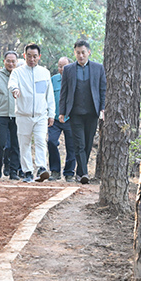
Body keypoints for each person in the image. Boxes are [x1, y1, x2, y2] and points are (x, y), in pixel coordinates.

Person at [59, 39, 106, 184]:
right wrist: (62, 111)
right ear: (75, 53)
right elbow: (64, 92)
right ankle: (84, 173)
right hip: (75, 112)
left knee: (88, 143)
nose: (81, 56)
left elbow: (102, 90)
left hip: (92, 112)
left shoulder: (98, 68)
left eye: (83, 52)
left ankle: (80, 172)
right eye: (78, 53)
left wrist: (102, 109)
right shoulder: (68, 69)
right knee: (79, 143)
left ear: (88, 52)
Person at [8, 43, 55, 183]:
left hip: (41, 115)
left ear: (39, 57)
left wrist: (51, 114)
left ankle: (41, 168)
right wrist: (15, 89)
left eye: (35, 56)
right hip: (23, 115)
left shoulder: (45, 73)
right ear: (24, 56)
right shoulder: (18, 72)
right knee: (24, 143)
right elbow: (12, 83)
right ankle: (27, 171)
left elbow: (49, 95)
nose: (32, 59)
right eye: (29, 56)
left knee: (41, 140)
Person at [0, 51, 21, 180]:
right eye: (8, 61)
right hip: (1, 115)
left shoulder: (20, 75)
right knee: (0, 143)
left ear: (16, 62)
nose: (11, 63)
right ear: (4, 61)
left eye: (13, 61)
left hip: (18, 115)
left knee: (15, 145)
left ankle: (13, 171)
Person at [48, 57, 76, 182]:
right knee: (52, 142)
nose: (62, 69)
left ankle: (69, 172)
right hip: (55, 119)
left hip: (71, 119)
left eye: (65, 66)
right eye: (60, 66)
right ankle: (55, 171)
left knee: (72, 146)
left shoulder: (76, 79)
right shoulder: (53, 80)